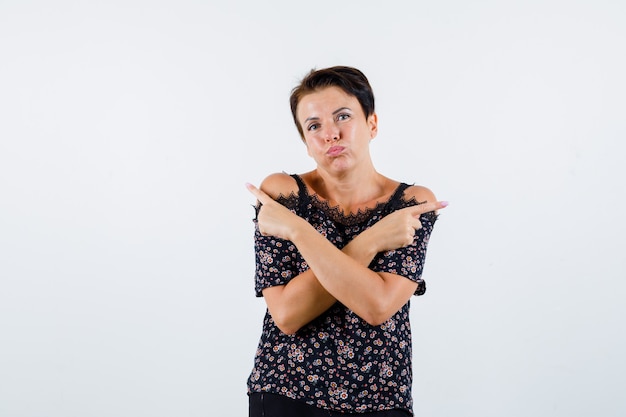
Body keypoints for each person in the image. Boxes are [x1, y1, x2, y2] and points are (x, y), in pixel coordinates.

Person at [245, 66, 447, 417]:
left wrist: (296, 230)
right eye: (314, 126)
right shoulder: (283, 193)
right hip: (286, 393)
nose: (330, 134)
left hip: (381, 400)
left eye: (343, 116)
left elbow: (377, 305)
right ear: (307, 144)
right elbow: (288, 314)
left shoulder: (412, 203)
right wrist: (374, 240)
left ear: (372, 125)